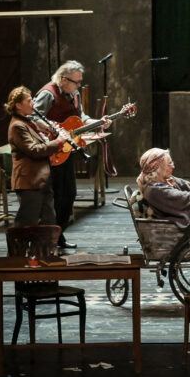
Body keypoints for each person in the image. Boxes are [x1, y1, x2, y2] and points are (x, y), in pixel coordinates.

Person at [33, 60, 110, 249]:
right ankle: (49, 239)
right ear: (63, 79)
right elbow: (32, 117)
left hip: (66, 151)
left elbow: (81, 117)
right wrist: (52, 129)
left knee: (69, 194)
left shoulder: (74, 94)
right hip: (50, 151)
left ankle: (59, 235)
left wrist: (98, 122)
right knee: (55, 196)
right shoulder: (48, 94)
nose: (79, 86)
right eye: (77, 82)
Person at [5, 86, 66, 227]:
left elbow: (40, 143)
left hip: (41, 178)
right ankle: (17, 243)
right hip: (29, 180)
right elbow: (34, 150)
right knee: (27, 222)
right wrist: (58, 141)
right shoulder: (17, 126)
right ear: (18, 105)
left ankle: (48, 243)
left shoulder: (28, 122)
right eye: (29, 100)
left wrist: (50, 134)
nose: (33, 103)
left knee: (48, 220)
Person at [136, 145, 190, 238]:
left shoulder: (166, 180)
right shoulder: (155, 190)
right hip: (179, 234)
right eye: (169, 164)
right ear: (158, 169)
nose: (173, 166)